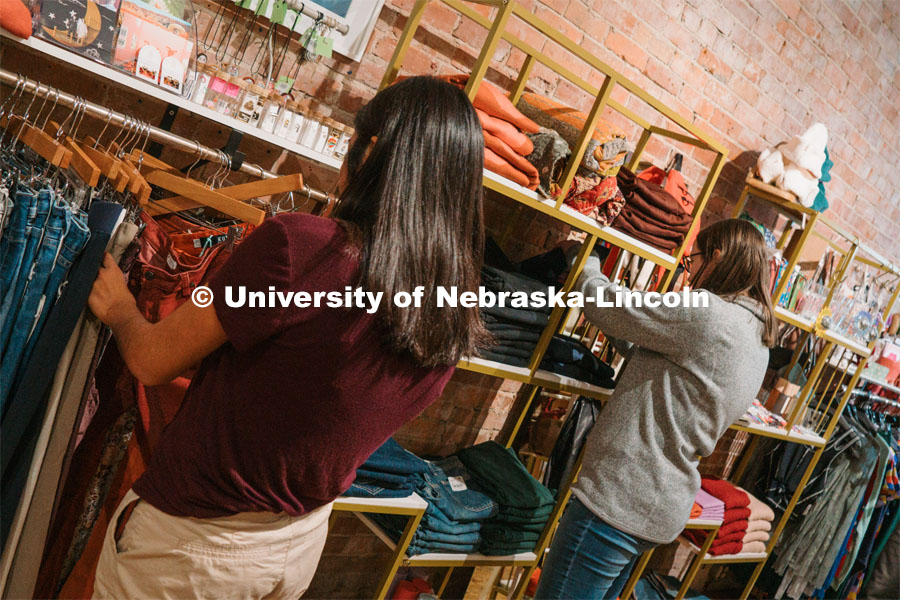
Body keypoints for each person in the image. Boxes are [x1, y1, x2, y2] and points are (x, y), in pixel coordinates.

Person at [86, 76, 489, 599]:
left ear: (369, 153)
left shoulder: (301, 248)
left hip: (194, 544)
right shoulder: (452, 308)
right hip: (297, 546)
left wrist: (120, 309)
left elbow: (151, 360)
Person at [535, 219, 776, 599]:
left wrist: (587, 258)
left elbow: (610, 304)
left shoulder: (710, 313)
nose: (690, 271)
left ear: (716, 257)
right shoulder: (756, 336)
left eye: (691, 261)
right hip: (657, 505)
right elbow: (659, 360)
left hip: (619, 500)